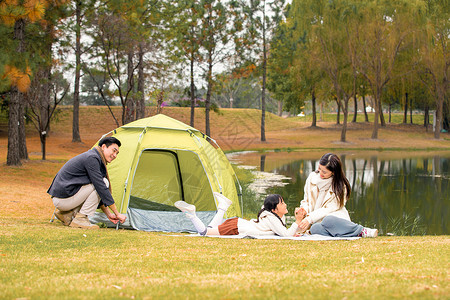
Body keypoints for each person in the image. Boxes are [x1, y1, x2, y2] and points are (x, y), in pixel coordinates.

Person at [48, 137, 127, 229]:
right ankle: (80, 219)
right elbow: (100, 187)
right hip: (62, 199)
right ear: (104, 147)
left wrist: (109, 214)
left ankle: (67, 214)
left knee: (100, 184)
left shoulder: (94, 157)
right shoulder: (92, 158)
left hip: (64, 198)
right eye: (113, 151)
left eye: (117, 153)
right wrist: (117, 213)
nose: (115, 155)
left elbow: (96, 192)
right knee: (103, 183)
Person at [296, 153, 378, 238]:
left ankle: (361, 230)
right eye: (319, 168)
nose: (320, 173)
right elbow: (306, 200)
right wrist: (304, 210)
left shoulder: (341, 187)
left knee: (328, 220)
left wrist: (309, 219)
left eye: (324, 172)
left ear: (333, 172)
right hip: (317, 221)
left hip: (334, 220)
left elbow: (328, 210)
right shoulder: (312, 178)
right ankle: (345, 234)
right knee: (315, 228)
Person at [175, 193, 303, 237]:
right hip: (235, 227)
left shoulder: (274, 215)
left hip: (237, 223)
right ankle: (192, 214)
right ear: (274, 209)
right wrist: (297, 221)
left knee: (209, 229)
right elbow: (285, 234)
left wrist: (293, 231)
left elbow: (281, 231)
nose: (285, 205)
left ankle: (223, 207)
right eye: (282, 203)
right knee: (204, 233)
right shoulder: (271, 217)